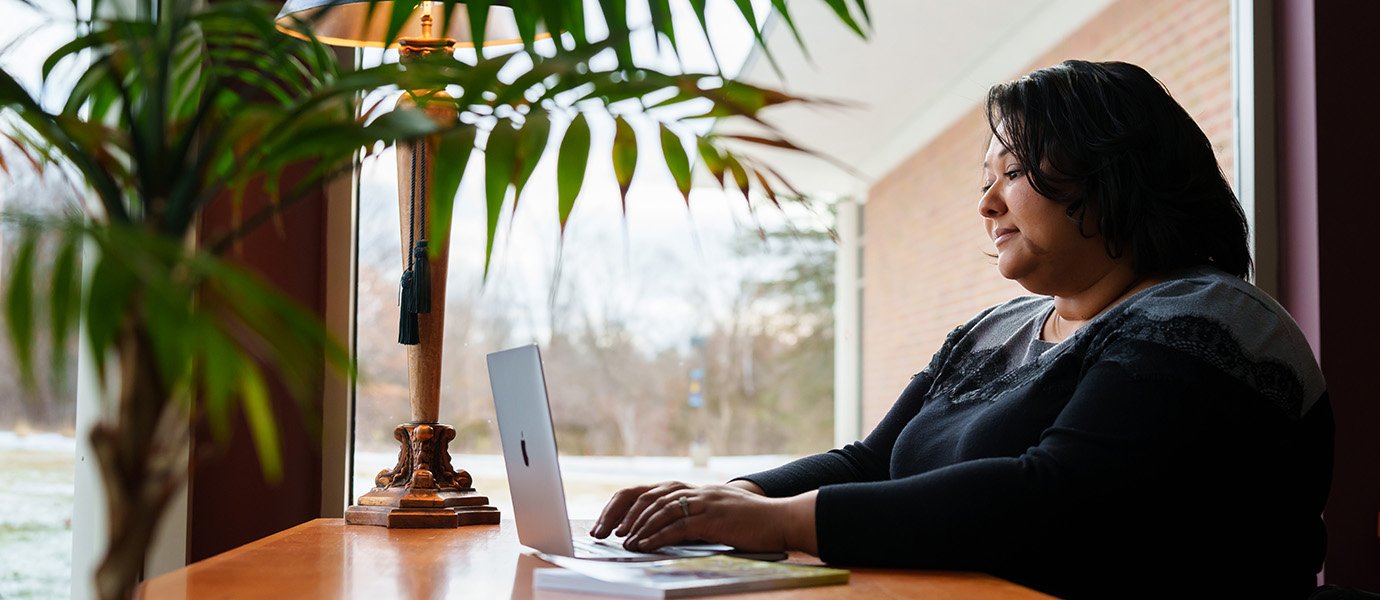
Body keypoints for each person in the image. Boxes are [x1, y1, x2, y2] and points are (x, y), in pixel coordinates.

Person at [589, 60, 1333, 599]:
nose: (986, 205)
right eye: (986, 179)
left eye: (1012, 171)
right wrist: (720, 500)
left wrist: (774, 523)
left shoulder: (1210, 318)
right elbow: (869, 461)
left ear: (1116, 173)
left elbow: (1051, 501)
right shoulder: (996, 330)